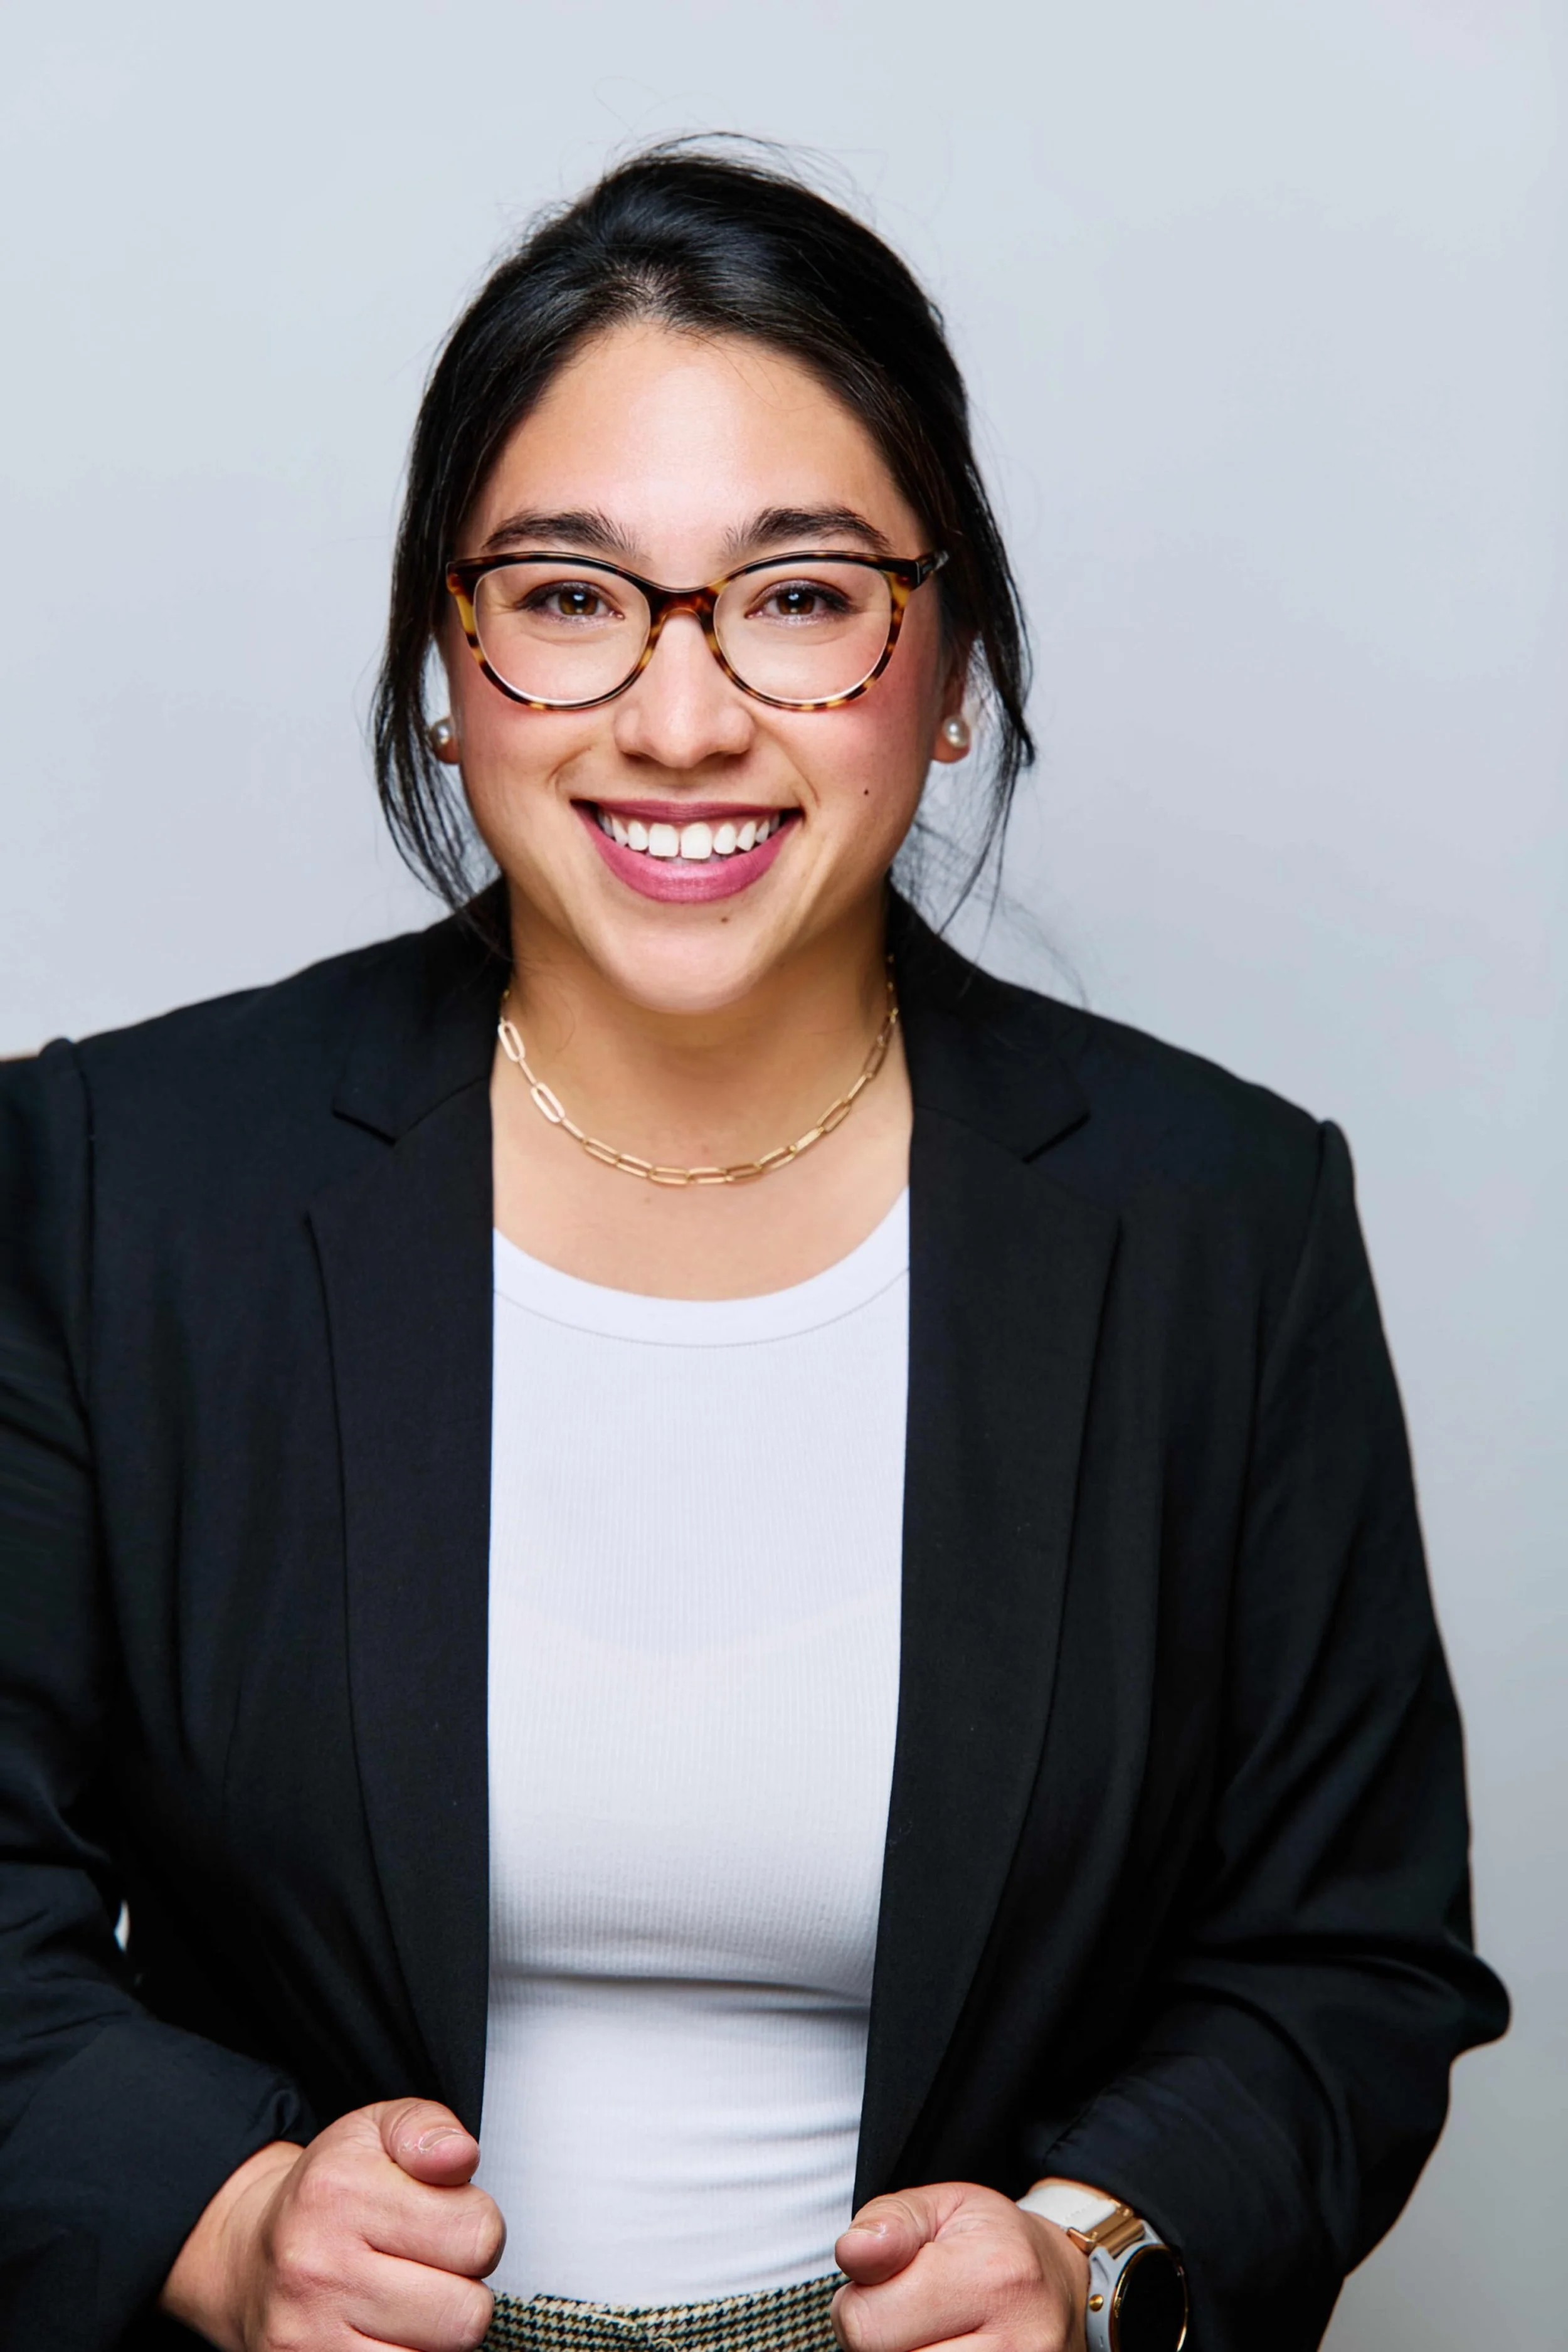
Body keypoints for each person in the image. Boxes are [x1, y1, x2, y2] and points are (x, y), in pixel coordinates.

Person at [0, 143, 1507, 2352]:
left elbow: (1346, 1957)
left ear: (949, 655)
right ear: (452, 652)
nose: (683, 715)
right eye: (569, 591)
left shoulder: (1221, 1220)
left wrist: (1090, 2252)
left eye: (799, 595)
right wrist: (227, 2225)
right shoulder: (119, 1173)